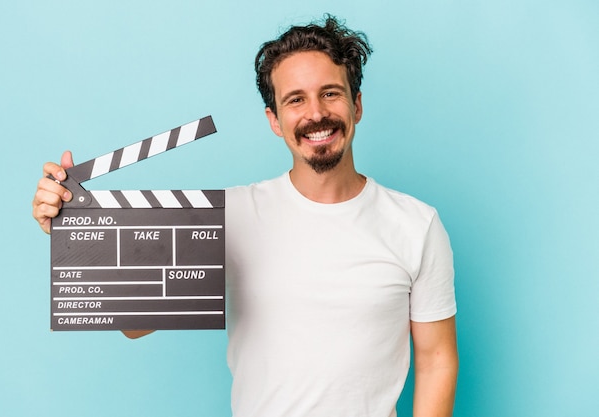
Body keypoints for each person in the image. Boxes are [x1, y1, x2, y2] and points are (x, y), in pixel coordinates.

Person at [33, 15, 458, 417]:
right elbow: (136, 325)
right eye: (295, 99)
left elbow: (437, 357)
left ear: (356, 104)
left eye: (330, 92)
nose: (315, 113)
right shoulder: (228, 216)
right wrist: (76, 229)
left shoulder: (416, 224)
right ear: (274, 119)